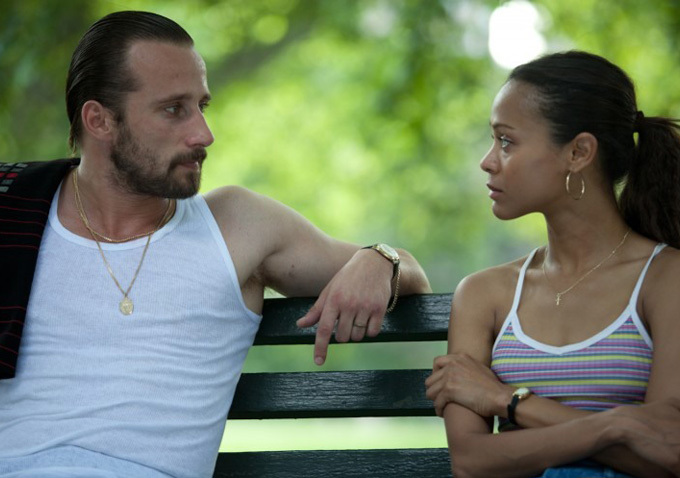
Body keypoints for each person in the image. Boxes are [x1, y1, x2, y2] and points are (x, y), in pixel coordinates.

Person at [0, 10, 431, 478]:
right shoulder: (17, 215)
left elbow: (410, 271)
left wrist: (379, 259)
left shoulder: (236, 226)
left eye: (201, 106)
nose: (204, 135)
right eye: (174, 109)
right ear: (99, 120)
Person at [425, 51, 680, 478]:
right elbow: (471, 461)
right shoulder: (484, 294)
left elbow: (667, 454)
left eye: (506, 141)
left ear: (578, 152)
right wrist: (616, 425)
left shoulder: (666, 278)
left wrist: (508, 400)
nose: (488, 160)